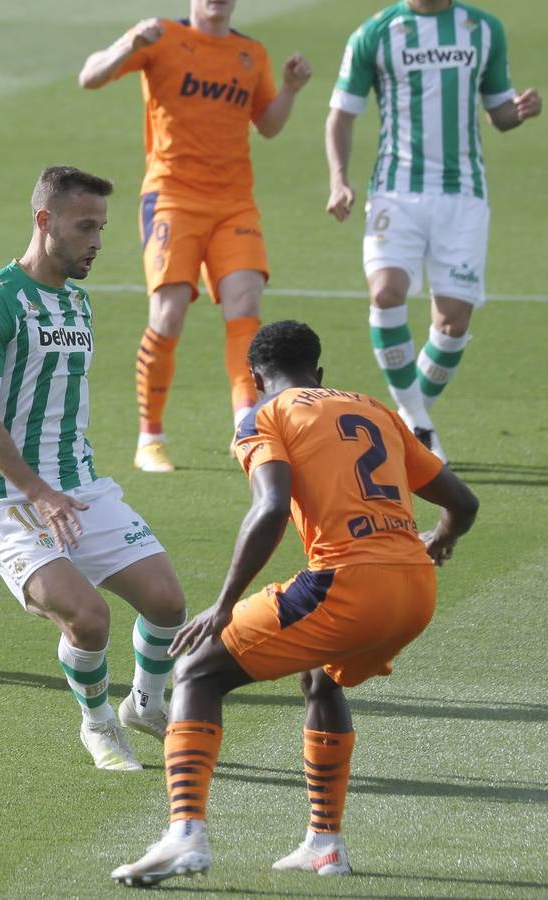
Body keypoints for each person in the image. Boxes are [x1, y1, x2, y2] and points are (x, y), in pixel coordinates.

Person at [111, 320, 479, 886]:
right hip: (416, 590)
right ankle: (325, 845)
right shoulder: (373, 407)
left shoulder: (265, 414)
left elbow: (271, 507)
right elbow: (463, 501)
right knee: (321, 679)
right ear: (320, 373)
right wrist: (440, 539)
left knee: (196, 673)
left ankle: (185, 834)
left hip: (348, 584)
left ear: (255, 377)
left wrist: (225, 604)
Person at [0, 166, 188, 771]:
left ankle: (146, 702)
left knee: (167, 602)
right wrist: (39, 492)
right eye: (86, 226)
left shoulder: (77, 304)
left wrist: (63, 488)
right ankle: (99, 722)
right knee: (88, 618)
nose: (98, 241)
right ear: (44, 220)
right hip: (6, 497)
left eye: (102, 227)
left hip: (78, 486)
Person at [79, 1, 313, 473]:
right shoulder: (160, 36)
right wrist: (129, 43)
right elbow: (91, 75)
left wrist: (289, 89)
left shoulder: (250, 53)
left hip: (234, 203)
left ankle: (247, 424)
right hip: (172, 199)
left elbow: (267, 124)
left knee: (244, 308)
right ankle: (151, 438)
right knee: (168, 315)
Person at [325, 0, 542, 461]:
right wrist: (339, 179)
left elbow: (498, 111)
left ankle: (404, 426)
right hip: (395, 191)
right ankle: (418, 423)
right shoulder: (376, 32)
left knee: (452, 323)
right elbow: (341, 114)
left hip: (463, 195)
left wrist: (519, 110)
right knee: (385, 293)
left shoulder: (483, 28)